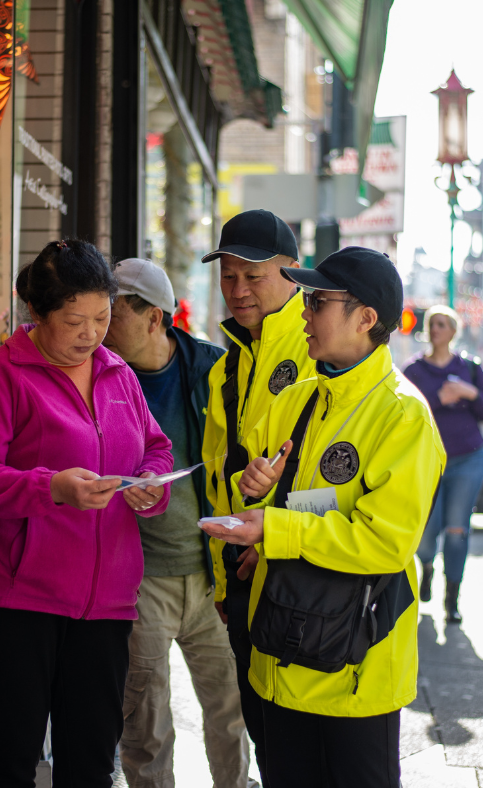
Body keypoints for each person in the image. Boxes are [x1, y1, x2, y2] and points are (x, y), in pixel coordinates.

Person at [201, 247, 445, 787]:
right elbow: (271, 500)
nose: (304, 314)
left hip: (354, 667)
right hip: (279, 653)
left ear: (365, 319)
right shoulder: (298, 397)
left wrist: (273, 528)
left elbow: (384, 542)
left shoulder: (403, 415)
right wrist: (258, 492)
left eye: (318, 301)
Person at [0, 240, 173, 788]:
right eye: (75, 320)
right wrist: (52, 489)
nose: (91, 333)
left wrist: (150, 484)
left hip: (106, 603)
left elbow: (156, 449)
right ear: (37, 313)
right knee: (10, 760)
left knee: (91, 764)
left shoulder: (118, 375)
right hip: (14, 599)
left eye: (102, 317)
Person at [103, 258, 251, 787]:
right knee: (145, 725)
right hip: (141, 577)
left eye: (112, 312)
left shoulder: (216, 370)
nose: (99, 323)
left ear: (153, 318)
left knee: (231, 714)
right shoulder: (97, 376)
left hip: (215, 575)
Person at [201, 209, 317, 784]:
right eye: (228, 277)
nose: (238, 290)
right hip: (244, 583)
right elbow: (221, 479)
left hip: (301, 580)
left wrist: (273, 531)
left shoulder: (320, 342)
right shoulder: (228, 364)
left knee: (300, 743)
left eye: (253, 276)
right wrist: (224, 583)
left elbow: (340, 473)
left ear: (291, 271)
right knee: (264, 733)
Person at [402, 306, 483, 623]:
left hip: (468, 458)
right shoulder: (414, 370)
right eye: (432, 324)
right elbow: (405, 410)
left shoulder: (469, 368)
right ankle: (427, 566)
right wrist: (440, 397)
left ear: (453, 331)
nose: (436, 328)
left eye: (442, 324)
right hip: (429, 460)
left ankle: (451, 600)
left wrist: (468, 392)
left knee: (457, 530)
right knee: (426, 531)